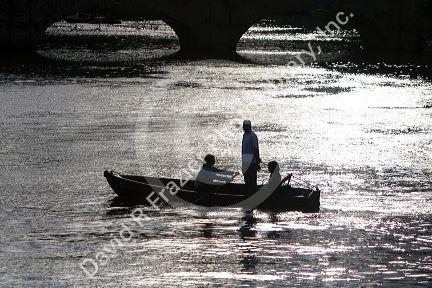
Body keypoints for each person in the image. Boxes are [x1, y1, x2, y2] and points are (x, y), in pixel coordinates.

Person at [242, 120, 261, 191]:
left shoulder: (253, 136)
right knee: (246, 179)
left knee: (252, 180)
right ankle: (248, 193)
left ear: (249, 127)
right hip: (245, 162)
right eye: (243, 126)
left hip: (252, 162)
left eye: (245, 126)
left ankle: (252, 194)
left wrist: (257, 161)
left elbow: (256, 149)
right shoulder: (244, 135)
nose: (244, 128)